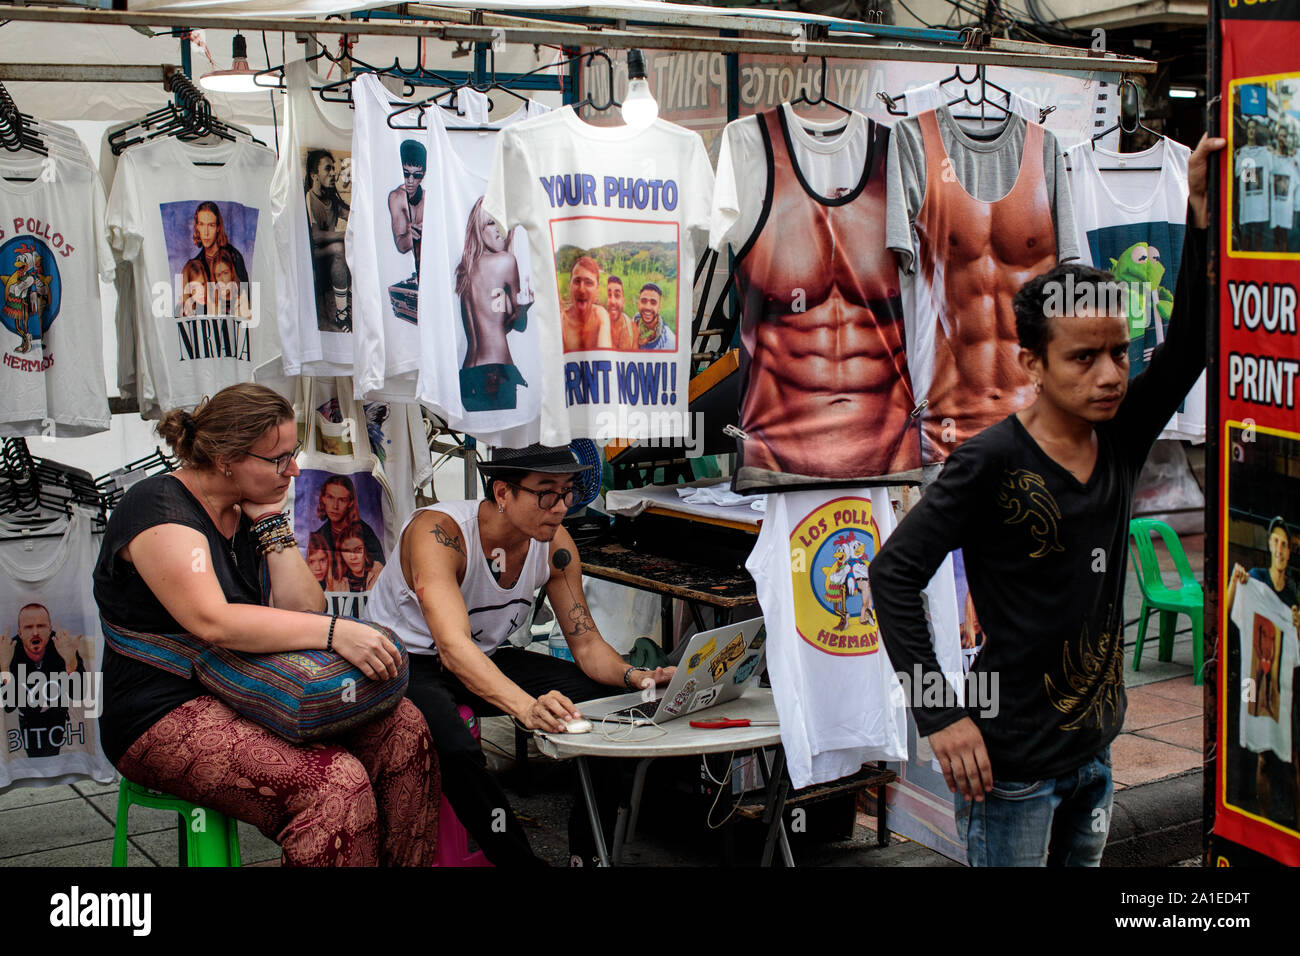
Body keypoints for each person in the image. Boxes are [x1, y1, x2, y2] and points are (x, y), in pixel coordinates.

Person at [870, 134, 1224, 867]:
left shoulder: (1121, 437)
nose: (1110, 375)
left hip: (1094, 754)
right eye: (1084, 357)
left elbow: (1188, 345)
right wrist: (941, 713)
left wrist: (1199, 213)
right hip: (1011, 772)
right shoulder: (990, 462)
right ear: (1031, 363)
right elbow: (892, 575)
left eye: (1120, 353)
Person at [92, 383, 441, 866]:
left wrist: (273, 528)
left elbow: (304, 608)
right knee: (333, 787)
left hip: (251, 687)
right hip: (159, 709)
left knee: (406, 731)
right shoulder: (157, 510)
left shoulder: (246, 511)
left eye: (292, 453)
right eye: (279, 459)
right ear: (227, 458)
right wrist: (338, 632)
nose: (294, 470)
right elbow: (213, 621)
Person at [365, 442, 675, 866]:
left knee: (608, 710)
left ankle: (589, 857)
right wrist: (526, 709)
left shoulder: (554, 544)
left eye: (567, 491)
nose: (560, 506)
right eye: (546, 492)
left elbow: (585, 643)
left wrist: (634, 677)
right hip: (405, 660)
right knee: (455, 749)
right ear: (503, 493)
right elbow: (453, 650)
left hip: (484, 654)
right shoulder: (441, 533)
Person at [1225, 515, 1300, 821]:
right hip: (1256, 684)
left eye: (1285, 544)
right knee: (1262, 759)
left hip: (1287, 688)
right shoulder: (1254, 580)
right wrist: (1234, 581)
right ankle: (1263, 819)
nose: (1280, 549)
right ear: (1269, 545)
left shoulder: (1293, 595)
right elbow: (1230, 610)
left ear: (1290, 551)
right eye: (1276, 542)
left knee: (1294, 760)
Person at [455, 195, 531, 411]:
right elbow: (519, 325)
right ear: (478, 228)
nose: (500, 230)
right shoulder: (506, 261)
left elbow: (490, 328)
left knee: (477, 440)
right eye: (491, 223)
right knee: (509, 442)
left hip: (468, 371)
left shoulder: (465, 269)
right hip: (496, 372)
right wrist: (523, 308)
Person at [0, 604, 88, 758]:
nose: (35, 632)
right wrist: (5, 668)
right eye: (28, 627)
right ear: (20, 633)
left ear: (49, 630)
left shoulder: (63, 646)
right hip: (28, 720)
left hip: (57, 717)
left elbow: (79, 694)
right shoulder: (9, 652)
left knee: (55, 758)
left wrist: (71, 662)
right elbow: (9, 706)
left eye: (41, 626)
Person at [304, 149, 351, 332]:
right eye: (328, 169)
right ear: (314, 175)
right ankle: (341, 315)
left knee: (345, 247)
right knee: (339, 247)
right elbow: (315, 236)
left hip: (326, 250)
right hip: (312, 253)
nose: (333, 173)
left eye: (334, 169)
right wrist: (344, 235)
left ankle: (345, 308)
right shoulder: (309, 197)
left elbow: (351, 216)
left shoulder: (331, 199)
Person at [180, 202, 249, 317]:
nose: (206, 233)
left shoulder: (234, 257)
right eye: (202, 225)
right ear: (197, 227)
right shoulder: (195, 265)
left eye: (211, 225)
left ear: (218, 227)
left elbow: (246, 303)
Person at [315, 475, 384, 569]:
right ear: (323, 499)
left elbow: (380, 569)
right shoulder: (319, 536)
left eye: (342, 500)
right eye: (330, 497)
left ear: (350, 503)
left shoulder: (365, 533)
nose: (335, 506)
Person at [561, 256, 611, 351]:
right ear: (569, 285)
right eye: (577, 281)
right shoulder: (562, 322)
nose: (582, 290)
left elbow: (604, 354)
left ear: (597, 288)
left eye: (588, 283)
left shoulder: (600, 315)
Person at [338, 522, 384, 592]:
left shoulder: (378, 571)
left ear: (366, 550)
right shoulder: (336, 579)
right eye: (347, 551)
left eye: (358, 549)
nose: (353, 557)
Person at [605, 275, 636, 350]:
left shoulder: (632, 329)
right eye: (609, 295)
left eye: (617, 295)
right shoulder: (600, 325)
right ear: (607, 300)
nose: (612, 301)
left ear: (623, 302)